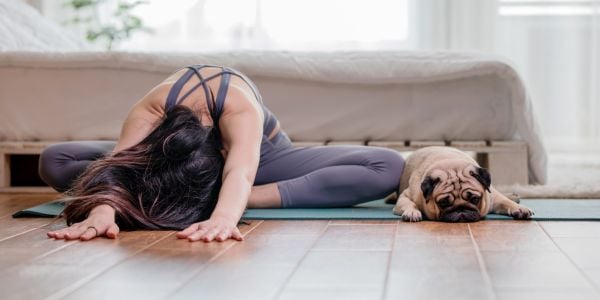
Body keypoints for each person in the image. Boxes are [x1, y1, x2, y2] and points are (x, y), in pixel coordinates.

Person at [40, 64, 405, 243]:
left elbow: (239, 173)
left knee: (386, 165)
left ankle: (224, 199)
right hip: (165, 162)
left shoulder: (237, 109)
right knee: (56, 160)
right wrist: (103, 210)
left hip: (263, 160)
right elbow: (118, 167)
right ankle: (190, 192)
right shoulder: (151, 110)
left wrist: (225, 215)